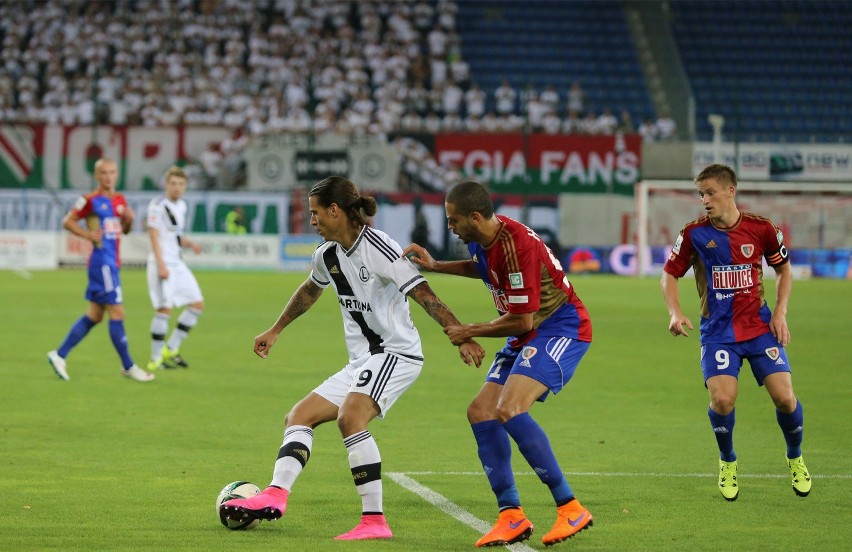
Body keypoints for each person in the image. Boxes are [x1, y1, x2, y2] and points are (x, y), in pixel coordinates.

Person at [220, 176, 484, 540]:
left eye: (316, 213)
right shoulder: (327, 253)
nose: (312, 220)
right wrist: (275, 329)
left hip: (396, 353)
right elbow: (310, 289)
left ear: (335, 210)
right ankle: (276, 495)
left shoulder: (380, 248)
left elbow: (423, 293)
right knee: (298, 417)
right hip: (362, 360)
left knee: (351, 417)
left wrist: (461, 335)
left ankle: (374, 522)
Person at [403, 180, 594, 547]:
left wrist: (467, 330)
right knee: (481, 411)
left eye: (453, 220)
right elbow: (483, 268)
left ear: (475, 217)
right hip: (525, 332)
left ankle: (570, 507)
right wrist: (437, 265)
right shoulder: (483, 239)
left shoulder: (516, 246)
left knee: (510, 407)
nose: (449, 227)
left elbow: (523, 319)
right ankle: (511, 515)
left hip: (560, 327)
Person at [661, 163, 811, 501]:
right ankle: (728, 461)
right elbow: (669, 274)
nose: (705, 200)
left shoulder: (762, 229)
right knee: (723, 399)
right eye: (701, 194)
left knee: (786, 399)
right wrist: (675, 312)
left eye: (710, 192)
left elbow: (784, 270)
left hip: (759, 328)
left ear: (731, 191)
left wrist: (781, 312)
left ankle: (795, 456)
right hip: (718, 332)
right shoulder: (694, 233)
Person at [47, 158, 154, 383]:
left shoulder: (120, 200)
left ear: (117, 174)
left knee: (95, 315)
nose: (109, 176)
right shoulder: (89, 200)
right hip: (101, 262)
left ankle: (59, 355)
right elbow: (68, 221)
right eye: (104, 173)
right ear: (97, 175)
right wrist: (87, 235)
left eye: (112, 172)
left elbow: (123, 232)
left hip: (112, 262)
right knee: (118, 312)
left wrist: (128, 221)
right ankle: (128, 366)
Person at [145, 166, 204, 371]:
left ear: (185, 186)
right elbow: (153, 234)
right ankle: (155, 360)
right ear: (166, 184)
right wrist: (161, 264)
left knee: (196, 304)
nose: (177, 187)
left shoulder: (182, 206)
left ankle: (171, 348)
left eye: (180, 184)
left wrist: (191, 244)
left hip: (178, 263)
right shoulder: (158, 205)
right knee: (164, 309)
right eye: (173, 183)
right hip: (162, 263)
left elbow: (175, 235)